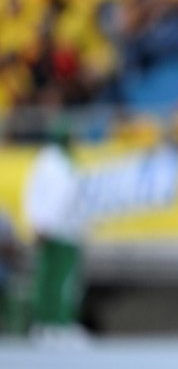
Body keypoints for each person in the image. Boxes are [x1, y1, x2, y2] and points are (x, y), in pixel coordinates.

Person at [23, 123, 89, 348]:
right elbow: (57, 197)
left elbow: (34, 194)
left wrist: (39, 223)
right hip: (60, 231)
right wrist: (44, 224)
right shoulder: (57, 163)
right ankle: (55, 325)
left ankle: (50, 324)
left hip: (58, 229)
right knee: (60, 281)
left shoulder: (51, 161)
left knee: (51, 279)